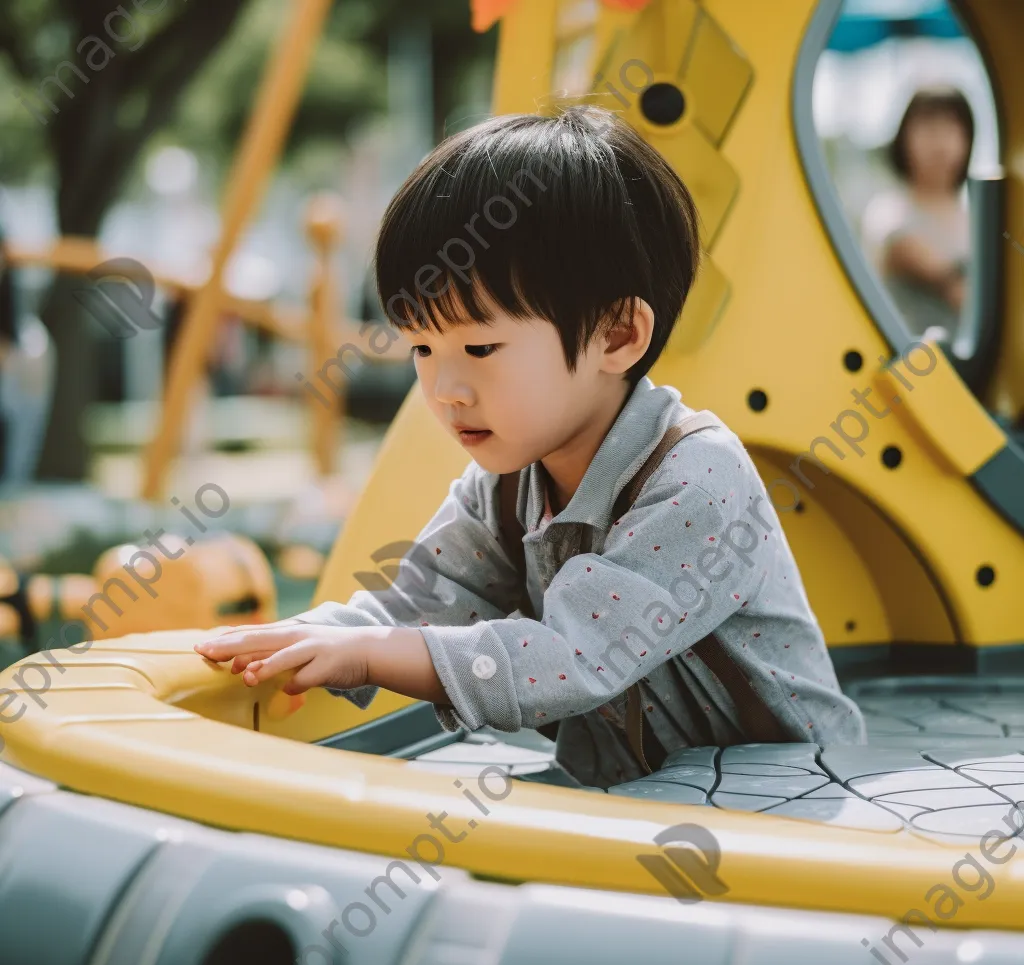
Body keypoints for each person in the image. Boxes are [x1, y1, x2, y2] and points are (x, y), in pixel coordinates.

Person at [194, 105, 866, 788]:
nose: (446, 388)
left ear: (617, 336)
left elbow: (573, 656)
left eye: (480, 346)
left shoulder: (697, 477)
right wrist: (300, 639)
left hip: (792, 788)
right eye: (423, 347)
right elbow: (416, 604)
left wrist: (367, 654)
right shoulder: (509, 484)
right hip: (639, 790)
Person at [861, 86, 974, 344]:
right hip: (914, 373)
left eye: (951, 127)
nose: (940, 142)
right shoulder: (889, 214)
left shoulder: (973, 217)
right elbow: (961, 293)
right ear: (903, 138)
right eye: (928, 127)